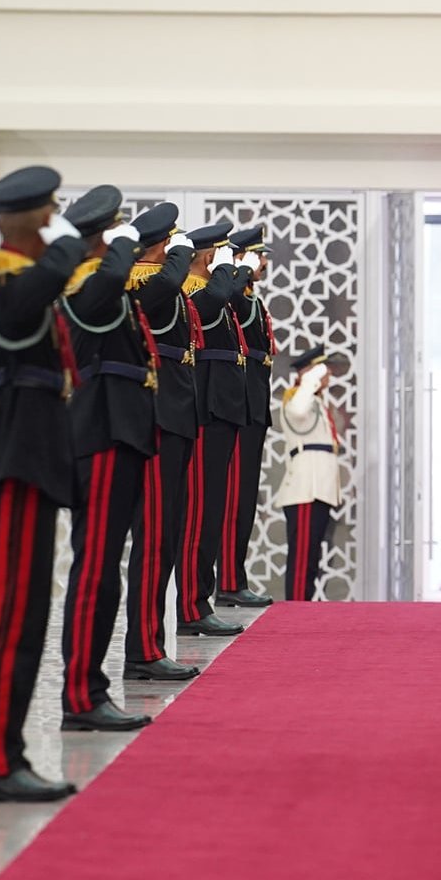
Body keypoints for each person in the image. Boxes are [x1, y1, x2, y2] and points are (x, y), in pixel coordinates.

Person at [0, 165, 86, 803]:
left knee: (30, 611)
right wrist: (67, 242)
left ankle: (5, 753)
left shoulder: (25, 279)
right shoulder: (1, 280)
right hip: (14, 455)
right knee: (11, 611)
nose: (53, 228)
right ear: (21, 220)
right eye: (46, 217)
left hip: (37, 454)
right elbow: (38, 290)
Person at [55, 186, 156, 732]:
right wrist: (122, 245)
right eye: (113, 231)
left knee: (104, 572)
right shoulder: (83, 286)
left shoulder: (96, 283)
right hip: (100, 435)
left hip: (120, 434)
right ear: (99, 235)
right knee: (95, 571)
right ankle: (80, 696)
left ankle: (90, 690)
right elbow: (114, 279)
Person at [119, 202, 203, 683]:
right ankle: (143, 651)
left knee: (166, 536)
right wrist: (178, 254)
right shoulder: (139, 281)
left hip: (176, 416)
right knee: (152, 539)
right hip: (155, 418)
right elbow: (168, 285)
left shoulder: (158, 279)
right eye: (172, 240)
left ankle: (151, 644)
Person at [176, 223, 249, 638]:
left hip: (222, 409)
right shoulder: (192, 291)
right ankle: (190, 603)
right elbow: (219, 295)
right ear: (208, 256)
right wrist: (225, 269)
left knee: (212, 510)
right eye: (222, 254)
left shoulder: (209, 291)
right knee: (199, 512)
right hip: (205, 409)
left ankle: (198, 600)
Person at [220, 227, 279, 609]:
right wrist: (238, 267)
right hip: (240, 405)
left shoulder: (251, 297)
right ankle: (227, 579)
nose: (265, 263)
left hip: (254, 403)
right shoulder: (233, 296)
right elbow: (227, 297)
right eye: (258, 256)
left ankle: (234, 575)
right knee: (232, 497)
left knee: (244, 498)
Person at [276, 347, 342, 599]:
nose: (327, 376)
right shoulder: (298, 398)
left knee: (310, 558)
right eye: (322, 371)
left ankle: (300, 609)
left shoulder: (318, 402)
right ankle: (294, 610)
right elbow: (297, 411)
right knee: (302, 559)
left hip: (320, 490)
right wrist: (310, 379)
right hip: (306, 490)